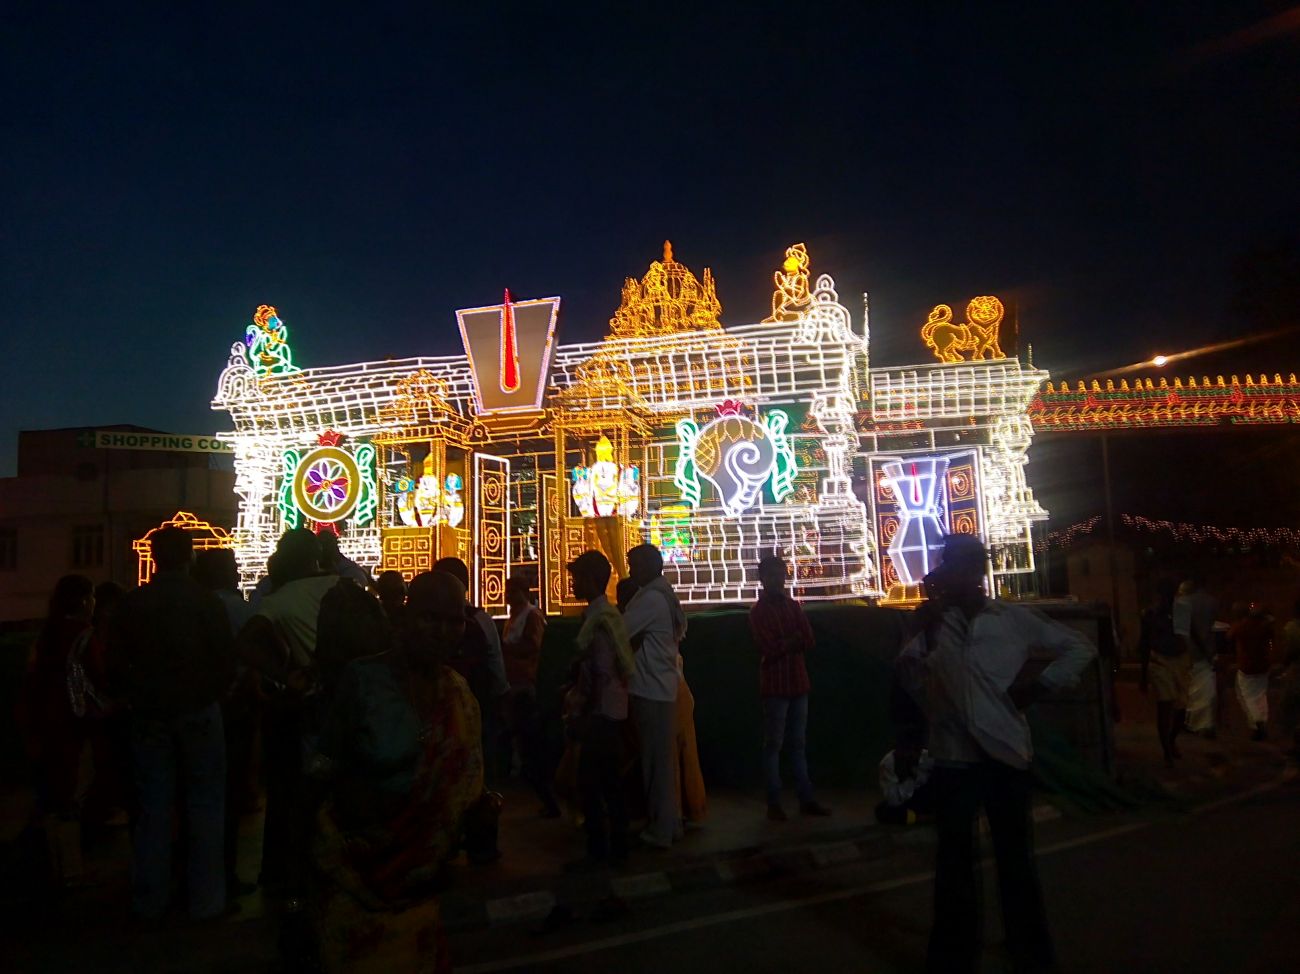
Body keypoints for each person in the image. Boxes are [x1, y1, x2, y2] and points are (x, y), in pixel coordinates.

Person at [892, 534, 1096, 974]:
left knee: (1014, 863)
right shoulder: (934, 623)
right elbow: (908, 679)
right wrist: (919, 631)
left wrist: (1039, 687)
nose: (948, 574)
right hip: (952, 758)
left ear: (977, 572)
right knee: (953, 866)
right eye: (947, 565)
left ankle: (1030, 953)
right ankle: (952, 957)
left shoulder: (1010, 619)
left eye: (958, 565)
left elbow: (1080, 647)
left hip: (1005, 755)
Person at [311, 570, 484, 973]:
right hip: (357, 889)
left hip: (423, 892)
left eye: (454, 620)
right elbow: (321, 773)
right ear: (404, 616)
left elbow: (465, 782)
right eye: (429, 618)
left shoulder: (459, 694)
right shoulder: (364, 682)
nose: (442, 631)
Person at [110, 527, 234, 919]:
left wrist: (135, 696)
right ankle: (206, 900)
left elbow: (115, 664)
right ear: (190, 556)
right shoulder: (205, 602)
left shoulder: (133, 604)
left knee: (154, 807)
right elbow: (225, 659)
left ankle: (150, 899)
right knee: (206, 805)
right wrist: (211, 692)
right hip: (198, 709)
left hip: (149, 713)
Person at [235, 528, 335, 900]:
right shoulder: (346, 586)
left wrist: (284, 675)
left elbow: (244, 642)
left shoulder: (278, 599)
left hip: (312, 703)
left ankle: (295, 875)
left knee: (305, 789)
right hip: (351, 695)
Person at [19, 574, 95, 887]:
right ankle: (70, 869)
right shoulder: (82, 636)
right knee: (70, 796)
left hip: (42, 724)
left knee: (50, 797)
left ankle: (51, 867)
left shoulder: (46, 635)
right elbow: (90, 682)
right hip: (72, 724)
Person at [194, 547, 259, 898]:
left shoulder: (192, 606)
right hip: (231, 709)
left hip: (191, 708)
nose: (238, 572)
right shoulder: (234, 607)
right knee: (226, 796)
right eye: (232, 567)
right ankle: (222, 878)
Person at [564, 551, 634, 868]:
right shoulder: (607, 616)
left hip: (601, 713)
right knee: (611, 784)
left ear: (592, 580)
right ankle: (618, 846)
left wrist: (584, 708)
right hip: (613, 709)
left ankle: (600, 849)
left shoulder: (598, 621)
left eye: (577, 577)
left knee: (592, 785)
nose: (573, 582)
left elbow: (600, 670)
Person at [748, 555, 830, 820]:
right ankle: (778, 802)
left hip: (793, 683)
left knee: (793, 745)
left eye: (781, 574)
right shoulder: (760, 612)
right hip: (780, 685)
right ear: (763, 579)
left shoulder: (790, 607)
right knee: (778, 745)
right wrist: (790, 642)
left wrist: (785, 643)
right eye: (773, 575)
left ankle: (799, 800)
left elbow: (807, 639)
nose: (778, 580)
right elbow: (769, 647)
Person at [622, 543, 686, 849]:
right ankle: (669, 824)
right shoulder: (660, 595)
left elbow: (619, 631)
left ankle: (660, 830)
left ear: (648, 567)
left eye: (633, 565)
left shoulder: (650, 600)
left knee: (655, 763)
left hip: (651, 688)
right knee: (661, 762)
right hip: (661, 687)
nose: (631, 571)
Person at [432, 557, 509, 785]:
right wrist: (501, 694)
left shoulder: (423, 623)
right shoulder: (481, 619)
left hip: (437, 706)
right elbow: (496, 663)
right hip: (477, 702)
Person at [502, 573, 557, 817]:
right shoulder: (514, 616)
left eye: (512, 591)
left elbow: (533, 646)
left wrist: (507, 651)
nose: (508, 596)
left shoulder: (532, 616)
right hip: (513, 680)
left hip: (524, 680)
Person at [1137, 578, 1189, 767]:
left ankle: (1171, 741)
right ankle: (1167, 750)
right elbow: (1144, 643)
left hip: (1180, 660)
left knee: (1181, 707)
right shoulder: (1150, 614)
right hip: (1160, 660)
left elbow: (1188, 636)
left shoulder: (1181, 610)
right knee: (1165, 705)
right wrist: (1143, 675)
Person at [1176, 575, 1219, 737]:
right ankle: (1205, 723)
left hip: (1187, 653)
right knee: (1206, 689)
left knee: (1187, 690)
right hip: (1206, 651)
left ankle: (1190, 721)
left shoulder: (1181, 605)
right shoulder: (1211, 602)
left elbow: (1180, 632)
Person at [1229, 602, 1273, 741]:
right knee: (1260, 696)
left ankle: (1257, 724)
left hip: (1246, 667)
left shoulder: (1242, 626)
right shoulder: (1265, 626)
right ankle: (1261, 723)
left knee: (1247, 697)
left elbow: (1229, 636)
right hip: (1263, 666)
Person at [1278, 597, 1300, 760]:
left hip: (1297, 669)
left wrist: (1283, 664)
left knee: (1291, 707)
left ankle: (1295, 744)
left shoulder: (1292, 627)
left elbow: (1289, 650)